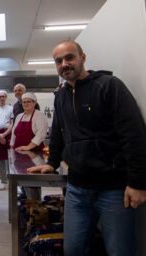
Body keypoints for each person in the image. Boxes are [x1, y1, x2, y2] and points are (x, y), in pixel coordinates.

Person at [28, 40, 146, 256]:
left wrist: (137, 182)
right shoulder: (61, 96)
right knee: (73, 250)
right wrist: (52, 162)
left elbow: (134, 134)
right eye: (59, 61)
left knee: (120, 251)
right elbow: (57, 132)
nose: (64, 64)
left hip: (113, 190)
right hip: (77, 190)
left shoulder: (108, 85)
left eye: (69, 57)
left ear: (83, 57)